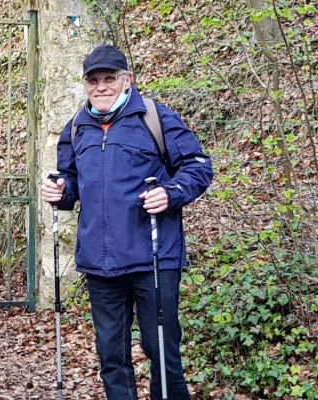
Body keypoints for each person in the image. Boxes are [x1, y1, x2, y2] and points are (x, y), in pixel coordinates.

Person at [39, 44, 214, 400]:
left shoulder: (155, 117)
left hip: (153, 255)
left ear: (127, 80)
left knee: (161, 348)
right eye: (94, 80)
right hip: (100, 262)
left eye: (109, 79)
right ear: (85, 84)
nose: (101, 87)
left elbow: (198, 166)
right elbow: (71, 181)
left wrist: (172, 192)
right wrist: (60, 190)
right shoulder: (77, 127)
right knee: (111, 355)